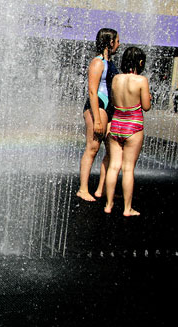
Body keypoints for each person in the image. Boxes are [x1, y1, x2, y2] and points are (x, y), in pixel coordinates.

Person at [104, 47, 150, 216]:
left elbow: (114, 101)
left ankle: (108, 205)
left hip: (116, 124)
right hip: (133, 126)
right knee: (128, 168)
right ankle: (127, 208)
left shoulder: (116, 79)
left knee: (114, 166)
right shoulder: (141, 81)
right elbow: (146, 106)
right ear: (140, 62)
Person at [76, 28, 120, 202]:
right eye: (117, 41)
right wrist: (97, 120)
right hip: (97, 106)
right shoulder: (97, 62)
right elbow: (93, 91)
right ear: (110, 42)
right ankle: (83, 189)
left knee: (112, 149)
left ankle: (101, 189)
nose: (119, 44)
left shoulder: (111, 63)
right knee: (92, 148)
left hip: (109, 108)